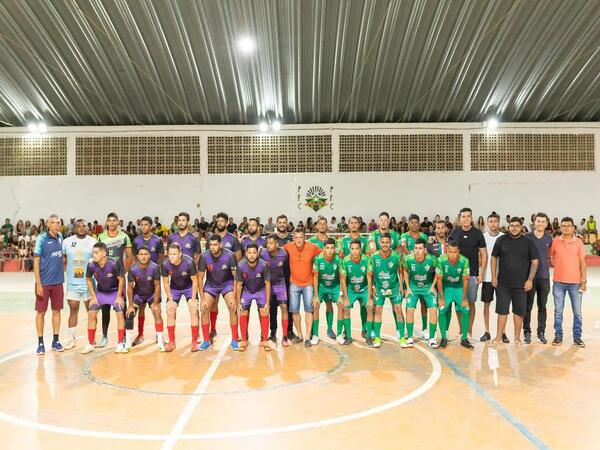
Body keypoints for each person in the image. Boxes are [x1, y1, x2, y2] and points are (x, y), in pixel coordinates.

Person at [490, 217, 539, 346]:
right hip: (503, 284)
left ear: (521, 227)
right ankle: (498, 337)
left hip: (521, 285)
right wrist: (494, 276)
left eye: (517, 225)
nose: (514, 228)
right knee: (502, 311)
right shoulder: (501, 240)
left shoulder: (528, 242)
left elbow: (535, 262)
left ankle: (517, 339)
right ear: (508, 227)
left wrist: (529, 280)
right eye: (512, 225)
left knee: (518, 313)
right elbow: (494, 258)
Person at [449, 207, 487, 341]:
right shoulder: (455, 232)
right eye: (463, 216)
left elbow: (484, 254)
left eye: (468, 216)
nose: (466, 219)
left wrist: (481, 273)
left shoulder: (477, 233)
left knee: (470, 302)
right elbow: (449, 251)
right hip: (456, 275)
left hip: (472, 274)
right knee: (458, 303)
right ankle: (462, 329)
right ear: (460, 218)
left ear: (471, 218)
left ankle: (469, 331)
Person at [81, 242, 126, 354]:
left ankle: (120, 343)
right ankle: (91, 343)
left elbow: (121, 279)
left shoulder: (114, 263)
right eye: (93, 252)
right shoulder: (91, 265)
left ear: (104, 253)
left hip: (115, 291)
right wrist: (93, 296)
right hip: (101, 292)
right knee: (91, 313)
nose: (93, 255)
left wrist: (119, 296)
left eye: (96, 252)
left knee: (120, 313)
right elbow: (88, 279)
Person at [197, 234, 239, 351]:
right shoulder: (204, 257)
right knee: (205, 309)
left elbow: (236, 278)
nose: (213, 247)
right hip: (211, 285)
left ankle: (235, 339)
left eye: (215, 245)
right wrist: (202, 299)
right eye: (210, 245)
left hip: (227, 284)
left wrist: (235, 297)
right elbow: (200, 278)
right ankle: (206, 340)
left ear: (220, 245)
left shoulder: (230, 256)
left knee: (232, 307)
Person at [97, 212, 133, 348]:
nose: (112, 223)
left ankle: (123, 336)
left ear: (118, 222)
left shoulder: (124, 237)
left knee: (120, 306)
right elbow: (98, 254)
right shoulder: (101, 236)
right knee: (105, 308)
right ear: (106, 222)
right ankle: (105, 337)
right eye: (109, 220)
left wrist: (123, 271)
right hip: (104, 276)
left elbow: (130, 257)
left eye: (114, 220)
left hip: (118, 277)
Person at [549, 217, 587, 347]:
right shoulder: (555, 242)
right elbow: (549, 256)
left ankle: (577, 337)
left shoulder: (579, 243)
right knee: (558, 311)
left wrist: (583, 281)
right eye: (563, 226)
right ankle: (558, 336)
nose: (565, 228)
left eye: (568, 226)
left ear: (573, 228)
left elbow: (583, 263)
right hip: (558, 283)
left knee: (577, 312)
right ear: (560, 227)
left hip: (575, 283)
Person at [284, 228, 322, 347]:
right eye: (296, 237)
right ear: (293, 238)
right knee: (294, 310)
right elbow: (276, 250)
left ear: (304, 237)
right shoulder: (288, 246)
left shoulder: (312, 247)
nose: (299, 240)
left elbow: (324, 253)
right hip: (294, 283)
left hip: (308, 284)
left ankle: (307, 337)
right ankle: (300, 335)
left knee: (308, 310)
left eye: (301, 237)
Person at [62, 219, 97, 350]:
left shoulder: (93, 241)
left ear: (87, 228)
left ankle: (92, 341)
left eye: (84, 226)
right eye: (79, 226)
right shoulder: (67, 242)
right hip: (73, 282)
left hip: (88, 282)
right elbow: (62, 259)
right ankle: (71, 339)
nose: (81, 228)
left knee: (91, 312)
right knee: (73, 310)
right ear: (75, 228)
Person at [33, 215, 65, 355]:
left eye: (58, 222)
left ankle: (55, 341)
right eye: (54, 223)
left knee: (57, 311)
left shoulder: (61, 237)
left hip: (58, 282)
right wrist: (38, 283)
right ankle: (40, 343)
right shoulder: (41, 239)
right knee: (41, 312)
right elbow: (36, 261)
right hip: (44, 283)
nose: (57, 225)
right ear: (48, 225)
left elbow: (62, 256)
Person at [160, 243, 199, 352]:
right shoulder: (165, 264)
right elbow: (166, 283)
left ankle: (194, 341)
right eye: (170, 254)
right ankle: (172, 341)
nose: (171, 256)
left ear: (180, 254)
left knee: (194, 310)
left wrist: (193, 298)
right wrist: (171, 300)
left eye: (174, 254)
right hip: (174, 288)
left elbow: (195, 281)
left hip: (189, 287)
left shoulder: (189, 262)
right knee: (170, 310)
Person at [208, 212, 242, 338]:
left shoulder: (233, 239)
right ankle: (213, 329)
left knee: (232, 306)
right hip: (213, 278)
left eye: (222, 221)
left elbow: (238, 259)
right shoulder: (211, 239)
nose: (220, 223)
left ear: (227, 223)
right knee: (212, 306)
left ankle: (235, 334)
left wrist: (237, 281)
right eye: (218, 221)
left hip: (228, 280)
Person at [435, 241, 473, 349]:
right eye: (450, 252)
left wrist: (464, 298)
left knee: (465, 309)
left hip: (459, 287)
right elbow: (439, 280)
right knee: (442, 309)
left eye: (455, 252)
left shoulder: (464, 261)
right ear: (447, 251)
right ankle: (443, 338)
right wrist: (441, 298)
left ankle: (464, 338)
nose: (452, 254)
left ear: (458, 252)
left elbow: (465, 281)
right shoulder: (441, 260)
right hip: (446, 287)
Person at [369, 233, 404, 348]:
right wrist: (373, 287)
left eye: (387, 242)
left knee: (398, 310)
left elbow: (400, 271)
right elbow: (371, 274)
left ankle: (402, 337)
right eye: (383, 242)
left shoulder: (396, 256)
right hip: (379, 288)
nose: (385, 244)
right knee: (378, 310)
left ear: (391, 243)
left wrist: (401, 286)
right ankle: (377, 337)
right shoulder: (374, 257)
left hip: (394, 287)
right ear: (379, 243)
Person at [127, 246, 164, 352]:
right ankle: (129, 343)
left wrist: (156, 303)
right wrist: (130, 305)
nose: (143, 256)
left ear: (150, 256)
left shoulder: (155, 267)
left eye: (146, 254)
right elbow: (129, 287)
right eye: (141, 254)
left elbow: (157, 285)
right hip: (138, 294)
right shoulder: (132, 268)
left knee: (156, 312)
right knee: (130, 315)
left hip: (152, 294)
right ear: (137, 256)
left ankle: (160, 340)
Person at [402, 239, 438, 348]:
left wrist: (433, 287)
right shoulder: (408, 259)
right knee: (409, 309)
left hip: (427, 287)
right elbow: (404, 270)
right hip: (413, 287)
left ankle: (432, 338)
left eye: (420, 248)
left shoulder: (432, 259)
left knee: (433, 309)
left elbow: (438, 271)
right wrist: (407, 288)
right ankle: (410, 338)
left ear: (425, 250)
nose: (417, 251)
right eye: (416, 248)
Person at [235, 243, 271, 352]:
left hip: (260, 290)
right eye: (249, 253)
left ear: (258, 253)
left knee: (264, 312)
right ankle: (244, 340)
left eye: (254, 253)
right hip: (246, 291)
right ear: (245, 253)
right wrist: (238, 303)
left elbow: (268, 284)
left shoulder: (264, 265)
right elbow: (238, 285)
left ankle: (265, 340)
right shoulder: (240, 266)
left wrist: (267, 303)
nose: (251, 255)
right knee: (243, 313)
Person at [524, 212, 552, 344]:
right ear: (534, 222)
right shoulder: (527, 237)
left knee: (542, 306)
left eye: (543, 221)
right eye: (538, 221)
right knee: (527, 306)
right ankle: (527, 332)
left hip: (544, 278)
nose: (540, 224)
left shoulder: (549, 238)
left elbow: (551, 256)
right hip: (530, 277)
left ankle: (541, 332)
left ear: (546, 224)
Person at [400, 214, 430, 339]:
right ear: (408, 224)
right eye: (411, 222)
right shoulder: (404, 236)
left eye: (416, 222)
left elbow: (426, 252)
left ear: (419, 224)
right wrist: (414, 256)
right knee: (408, 302)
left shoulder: (424, 236)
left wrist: (419, 257)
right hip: (408, 271)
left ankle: (424, 328)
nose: (413, 224)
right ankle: (408, 329)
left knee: (424, 302)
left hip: (422, 273)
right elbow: (404, 248)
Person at [311, 238, 343, 345]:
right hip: (321, 286)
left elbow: (342, 276)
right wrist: (315, 295)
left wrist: (341, 293)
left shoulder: (338, 260)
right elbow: (315, 277)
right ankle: (315, 334)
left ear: (335, 249)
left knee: (340, 304)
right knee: (316, 305)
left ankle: (337, 333)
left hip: (334, 286)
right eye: (327, 248)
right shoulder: (318, 259)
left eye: (332, 248)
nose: (330, 250)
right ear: (323, 248)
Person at [340, 239, 372, 345]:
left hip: (364, 288)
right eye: (352, 249)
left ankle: (367, 334)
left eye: (357, 249)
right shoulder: (345, 261)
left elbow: (369, 278)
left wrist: (369, 297)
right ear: (349, 249)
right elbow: (343, 280)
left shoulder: (367, 260)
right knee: (346, 309)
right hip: (351, 289)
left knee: (369, 308)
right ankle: (348, 336)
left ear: (361, 249)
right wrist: (345, 297)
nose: (355, 251)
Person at [261, 234, 291, 347]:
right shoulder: (262, 254)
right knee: (270, 309)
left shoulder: (284, 254)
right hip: (268, 285)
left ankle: (284, 336)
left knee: (284, 307)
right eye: (267, 243)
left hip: (280, 284)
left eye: (271, 243)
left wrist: (287, 286)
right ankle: (272, 333)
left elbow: (287, 271)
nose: (268, 246)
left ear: (277, 244)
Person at [480, 212, 505, 342]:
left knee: (503, 306)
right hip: (486, 277)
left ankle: (503, 332)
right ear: (487, 223)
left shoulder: (504, 237)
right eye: (490, 221)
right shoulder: (483, 237)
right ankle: (487, 331)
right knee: (486, 305)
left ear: (498, 222)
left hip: (502, 278)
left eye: (495, 221)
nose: (493, 223)